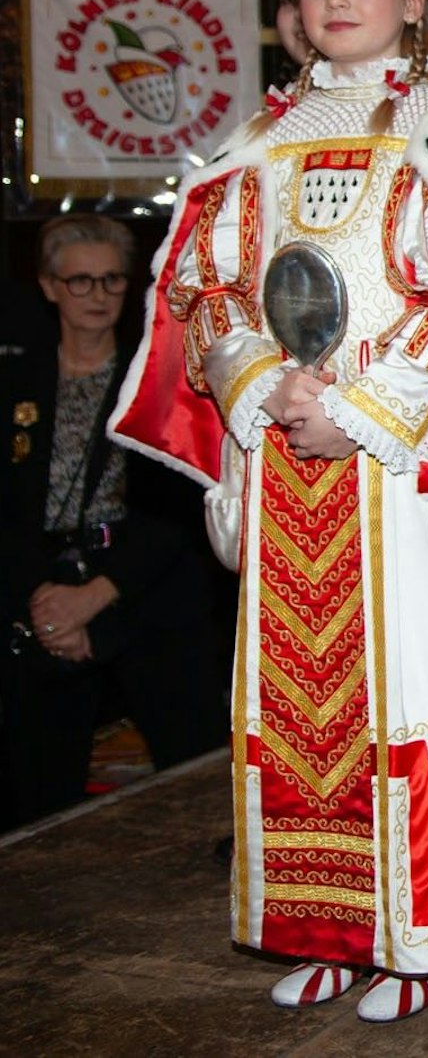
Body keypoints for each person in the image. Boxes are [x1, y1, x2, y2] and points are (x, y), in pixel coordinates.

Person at [111, 0, 428, 1022]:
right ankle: (330, 926)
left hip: (394, 460)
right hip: (281, 451)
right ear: (294, 10)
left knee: (411, 681)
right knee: (300, 708)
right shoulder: (254, 140)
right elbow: (208, 283)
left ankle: (421, 931)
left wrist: (358, 406)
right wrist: (260, 381)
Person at [2, 216, 222, 828]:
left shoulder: (156, 379)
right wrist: (48, 605)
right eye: (80, 281)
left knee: (193, 785)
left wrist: (97, 594)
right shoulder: (16, 381)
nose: (97, 295)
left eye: (112, 280)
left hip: (142, 592)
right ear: (49, 286)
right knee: (38, 802)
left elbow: (180, 510)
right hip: (43, 593)